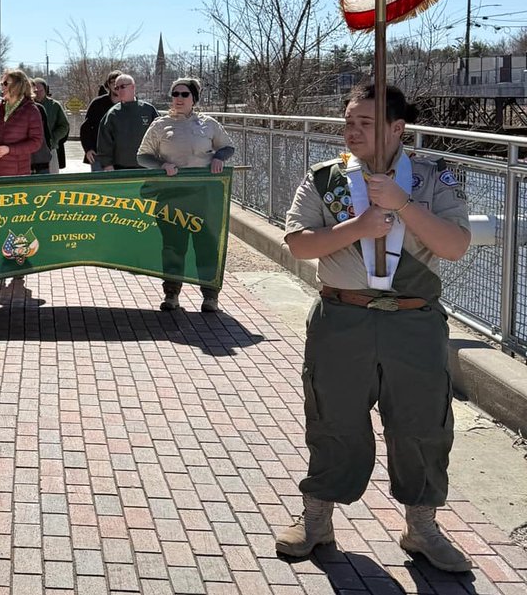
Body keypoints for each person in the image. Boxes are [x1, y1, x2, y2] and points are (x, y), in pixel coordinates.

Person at [275, 84, 472, 573]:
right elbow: (298, 244)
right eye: (349, 121)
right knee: (333, 419)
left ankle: (421, 527)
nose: (352, 131)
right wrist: (358, 227)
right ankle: (316, 519)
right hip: (342, 319)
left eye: (365, 122)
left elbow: (454, 247)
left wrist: (403, 204)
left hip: (414, 322)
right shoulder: (326, 179)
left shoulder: (432, 177)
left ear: (397, 128)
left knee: (422, 426)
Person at [136, 77, 234, 313]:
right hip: (171, 195)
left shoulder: (208, 124)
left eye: (184, 94)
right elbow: (142, 156)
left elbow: (228, 146)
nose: (178, 99)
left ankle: (210, 296)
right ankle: (171, 294)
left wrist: (219, 158)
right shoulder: (160, 125)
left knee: (207, 244)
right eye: (175, 94)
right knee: (173, 245)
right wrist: (161, 165)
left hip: (204, 196)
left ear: (194, 98)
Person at [0, 69, 44, 178]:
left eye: (5, 83)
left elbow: (36, 142)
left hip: (16, 175)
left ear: (17, 86)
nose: (1, 87)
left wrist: (9, 150)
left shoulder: (31, 110)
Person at [95, 74, 158, 171]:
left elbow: (160, 135)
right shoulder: (112, 114)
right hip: (120, 168)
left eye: (122, 87)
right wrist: (107, 165)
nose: (119, 90)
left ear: (133, 87)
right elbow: (104, 143)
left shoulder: (148, 110)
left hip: (147, 166)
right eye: (116, 88)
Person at [79, 70, 121, 167]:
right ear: (108, 84)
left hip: (122, 156)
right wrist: (88, 149)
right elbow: (85, 128)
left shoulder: (128, 104)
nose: (116, 85)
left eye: (119, 82)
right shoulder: (97, 103)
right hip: (98, 154)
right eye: (113, 82)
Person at [31, 78, 70, 173]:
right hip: (31, 149)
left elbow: (64, 126)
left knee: (51, 175)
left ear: (45, 90)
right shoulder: (28, 106)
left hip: (50, 148)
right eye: (35, 91)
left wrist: (53, 138)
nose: (38, 93)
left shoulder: (54, 105)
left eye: (40, 90)